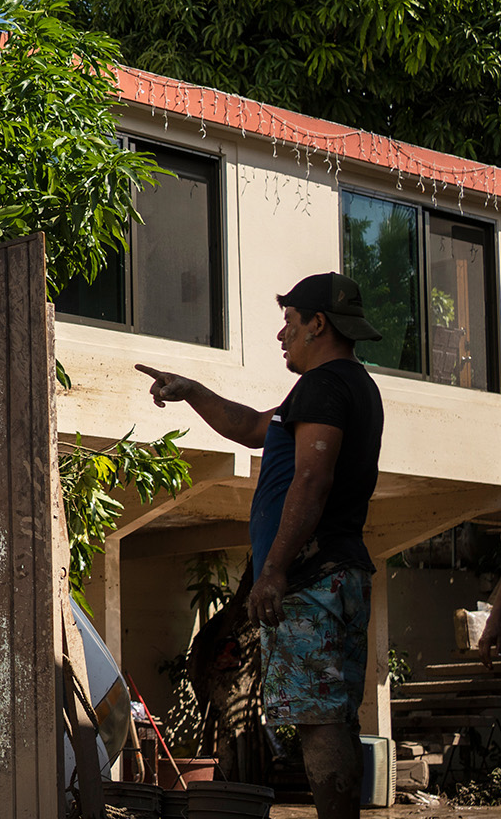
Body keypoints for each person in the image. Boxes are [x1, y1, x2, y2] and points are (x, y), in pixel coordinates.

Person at [136, 272, 385, 819]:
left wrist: (273, 569)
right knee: (331, 716)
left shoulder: (327, 385)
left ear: (319, 324)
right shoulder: (345, 386)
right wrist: (192, 390)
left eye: (290, 322)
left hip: (314, 576)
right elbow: (252, 426)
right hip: (335, 571)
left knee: (319, 721)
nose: (281, 335)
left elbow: (312, 480)